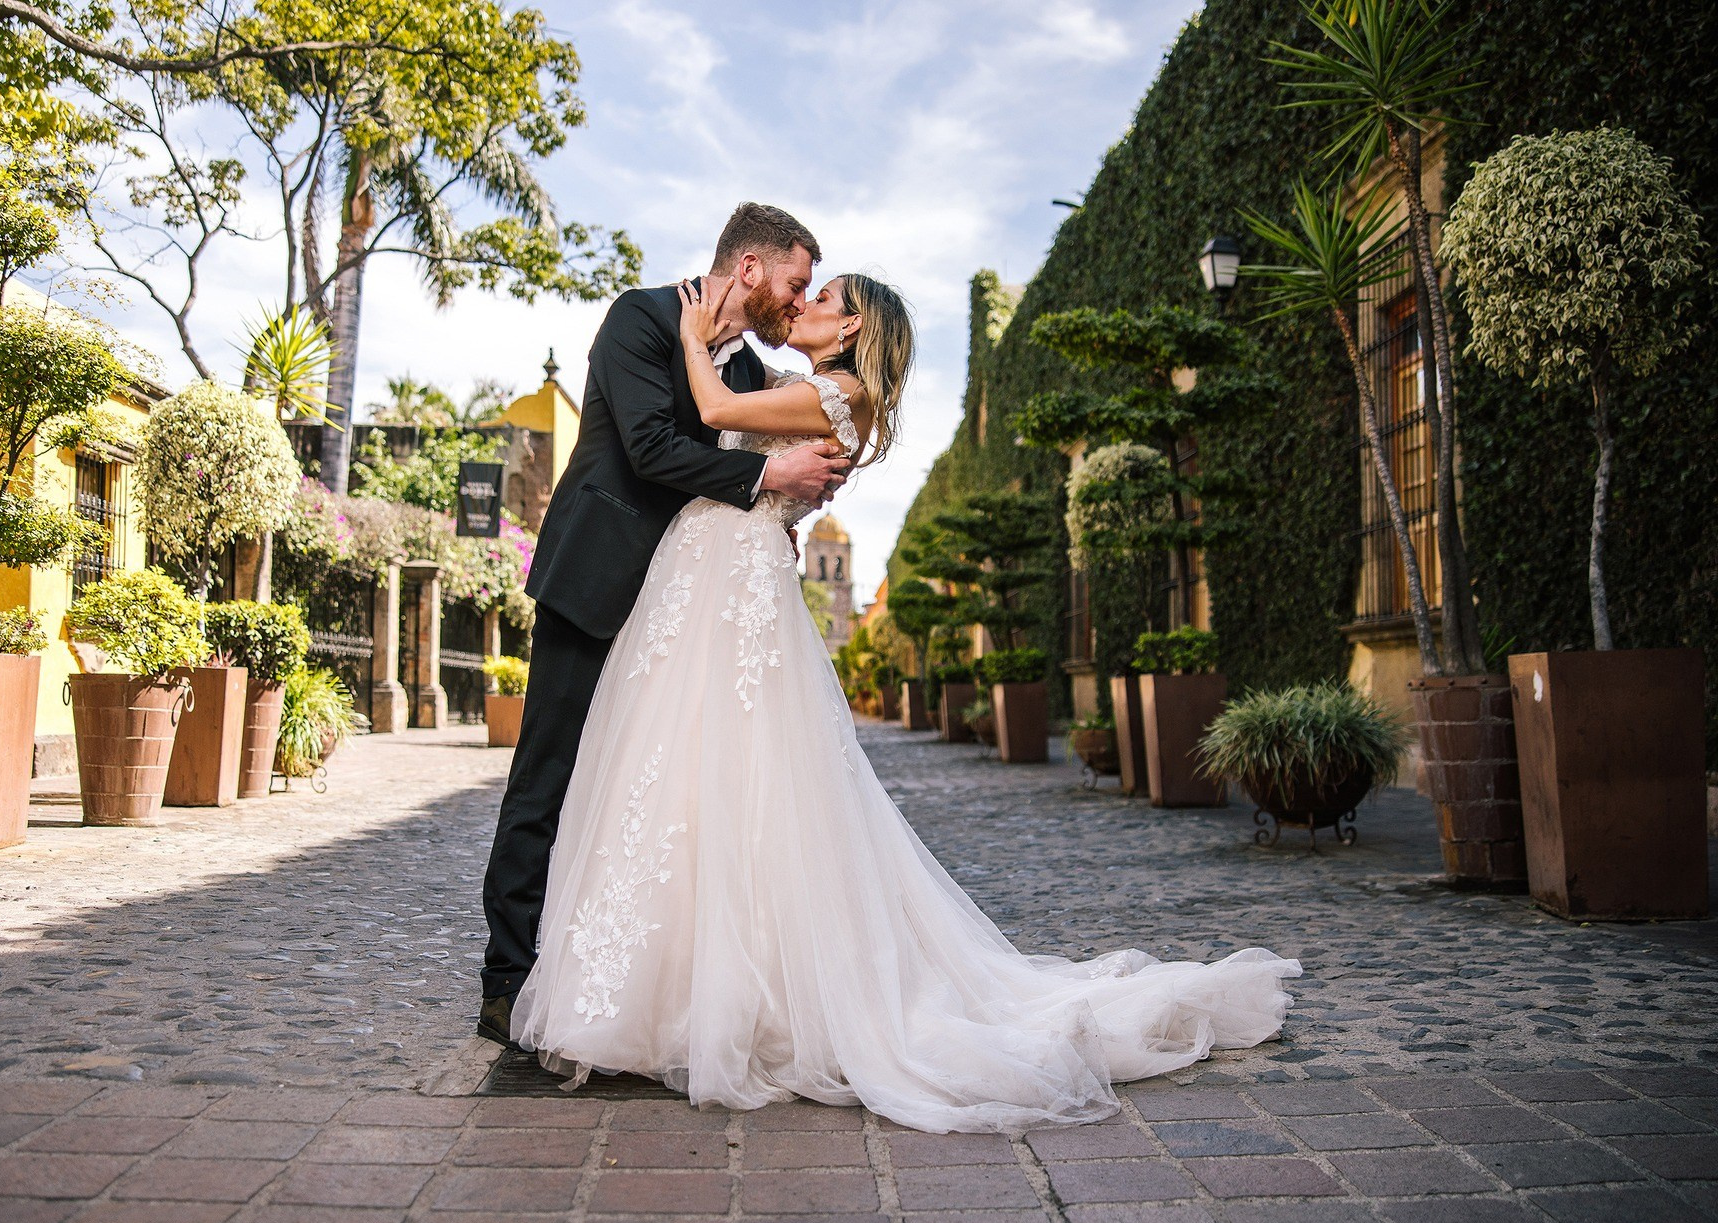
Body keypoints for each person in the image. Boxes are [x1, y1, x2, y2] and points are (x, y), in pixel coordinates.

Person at [506, 263, 1302, 1133]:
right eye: (801, 286)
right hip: (701, 584)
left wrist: (697, 344)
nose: (804, 302)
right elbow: (741, 431)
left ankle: (717, 995)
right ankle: (668, 980)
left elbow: (715, 418)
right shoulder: (809, 386)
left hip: (729, 588)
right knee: (687, 779)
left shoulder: (823, 394)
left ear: (849, 329)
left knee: (730, 776)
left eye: (821, 295)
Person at [479, 203, 851, 1045]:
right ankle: (507, 978)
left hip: (689, 616)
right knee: (551, 777)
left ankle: (626, 983)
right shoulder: (639, 318)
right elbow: (647, 448)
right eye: (793, 284)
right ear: (748, 269)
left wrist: (781, 505)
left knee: (660, 793)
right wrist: (766, 481)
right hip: (598, 580)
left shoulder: (755, 380)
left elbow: (755, 456)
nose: (797, 305)